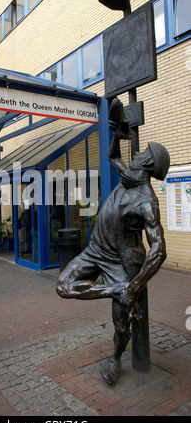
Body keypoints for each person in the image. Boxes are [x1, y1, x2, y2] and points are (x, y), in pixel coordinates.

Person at [56, 98, 170, 386]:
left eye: (145, 151)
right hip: (95, 252)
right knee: (63, 286)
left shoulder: (147, 202)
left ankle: (116, 359)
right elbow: (112, 158)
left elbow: (159, 251)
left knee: (122, 324)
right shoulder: (129, 176)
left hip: (123, 262)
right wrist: (116, 134)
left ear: (149, 162)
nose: (140, 152)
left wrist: (133, 286)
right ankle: (115, 291)